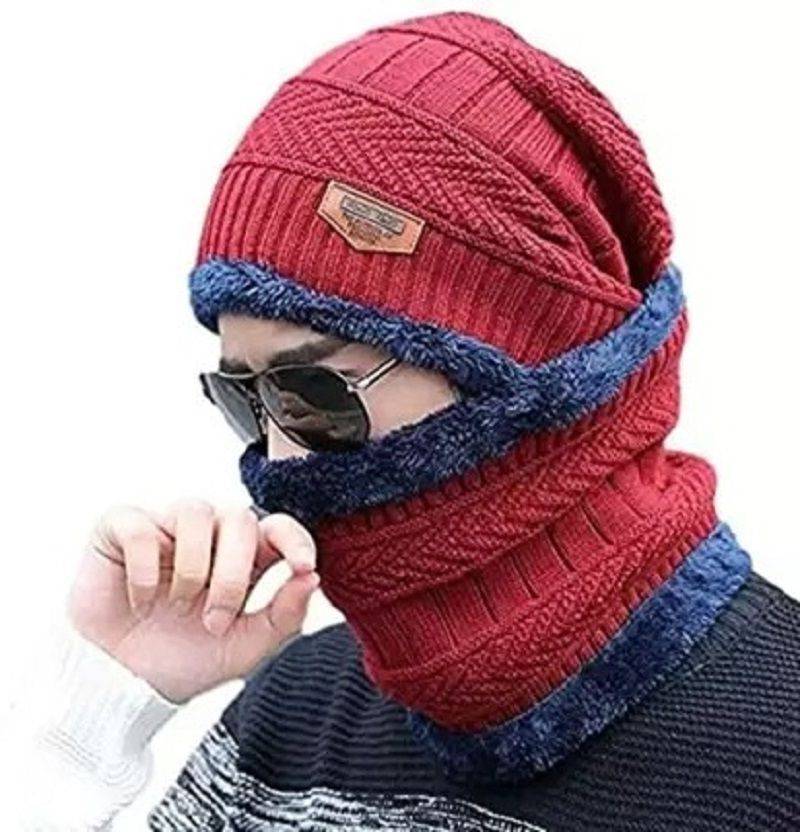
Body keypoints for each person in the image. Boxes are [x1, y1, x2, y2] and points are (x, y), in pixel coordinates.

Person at [8, 10, 800, 831]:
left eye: (316, 391)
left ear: (527, 360)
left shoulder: (778, 753)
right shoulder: (287, 728)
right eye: (246, 399)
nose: (279, 462)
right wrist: (88, 720)